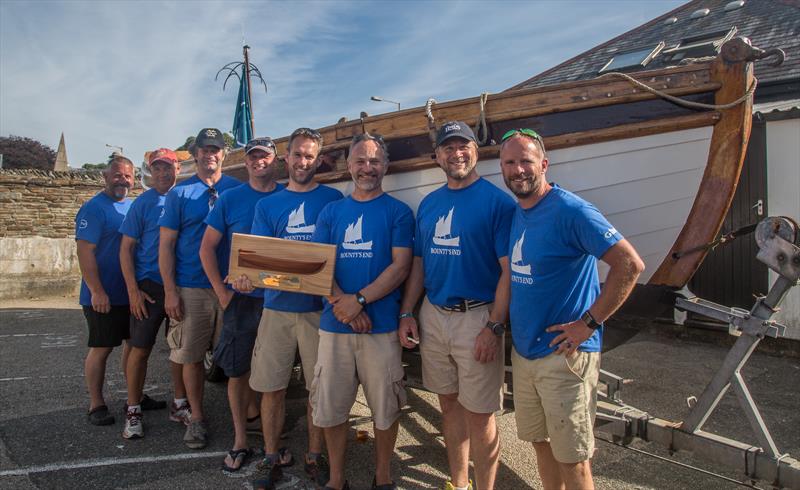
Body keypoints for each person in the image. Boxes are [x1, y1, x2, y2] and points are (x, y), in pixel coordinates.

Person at [499, 129, 644, 490]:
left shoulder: (571, 210)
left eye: (526, 161)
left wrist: (588, 323)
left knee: (573, 458)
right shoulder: (519, 212)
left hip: (565, 356)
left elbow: (629, 264)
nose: (518, 170)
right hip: (526, 353)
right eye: (510, 163)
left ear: (544, 164)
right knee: (541, 442)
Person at [398, 121, 515, 490]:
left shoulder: (497, 203)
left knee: (481, 415)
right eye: (448, 148)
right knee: (448, 404)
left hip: (477, 317)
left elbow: (509, 273)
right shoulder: (430, 204)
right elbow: (419, 264)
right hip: (433, 314)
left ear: (476, 151)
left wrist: (495, 326)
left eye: (462, 146)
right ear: (438, 157)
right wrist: (407, 312)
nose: (456, 153)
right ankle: (459, 483)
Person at [231, 128, 342, 489]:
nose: (303, 162)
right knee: (270, 387)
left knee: (317, 389)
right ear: (287, 158)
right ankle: (270, 456)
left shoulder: (333, 199)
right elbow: (259, 261)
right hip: (276, 309)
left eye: (310, 156)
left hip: (318, 312)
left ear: (318, 159)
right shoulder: (268, 205)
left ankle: (314, 454)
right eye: (297, 155)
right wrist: (249, 279)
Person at [311, 133, 414, 490]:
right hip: (335, 326)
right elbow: (318, 266)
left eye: (374, 161)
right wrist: (347, 307)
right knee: (330, 409)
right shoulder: (331, 212)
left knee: (386, 409)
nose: (367, 168)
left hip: (381, 327)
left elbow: (400, 267)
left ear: (385, 166)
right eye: (360, 161)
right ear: (349, 166)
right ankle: (337, 480)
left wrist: (361, 300)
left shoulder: (398, 212)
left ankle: (382, 476)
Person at [199, 137, 283, 472]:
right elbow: (206, 249)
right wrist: (221, 292)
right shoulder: (230, 199)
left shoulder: (288, 196)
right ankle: (240, 440)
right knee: (237, 371)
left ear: (276, 159)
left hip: (280, 301)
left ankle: (271, 444)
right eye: (252, 157)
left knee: (274, 377)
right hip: (242, 300)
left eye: (264, 156)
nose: (258, 161)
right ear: (245, 162)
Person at [158, 128, 240, 449]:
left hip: (230, 287)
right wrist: (169, 290)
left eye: (215, 149)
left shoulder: (236, 190)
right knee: (191, 356)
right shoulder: (180, 193)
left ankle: (241, 421)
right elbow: (166, 245)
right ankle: (197, 418)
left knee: (233, 358)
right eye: (204, 149)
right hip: (191, 286)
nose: (210, 154)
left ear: (223, 154)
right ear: (195, 154)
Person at [119, 148, 187, 439]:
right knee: (140, 349)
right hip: (150, 286)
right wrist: (133, 290)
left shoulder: (186, 197)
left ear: (177, 170)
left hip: (182, 284)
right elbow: (125, 249)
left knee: (180, 349)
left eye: (167, 168)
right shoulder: (143, 203)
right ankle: (133, 409)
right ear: (150, 171)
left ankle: (180, 403)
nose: (162, 173)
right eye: (157, 169)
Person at [75, 154, 134, 426]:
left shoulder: (132, 206)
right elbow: (85, 252)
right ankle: (96, 403)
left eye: (128, 176)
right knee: (101, 347)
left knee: (132, 347)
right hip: (103, 295)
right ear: (106, 177)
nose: (123, 180)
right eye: (118, 175)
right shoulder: (93, 209)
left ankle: (135, 395)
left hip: (129, 293)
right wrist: (97, 291)